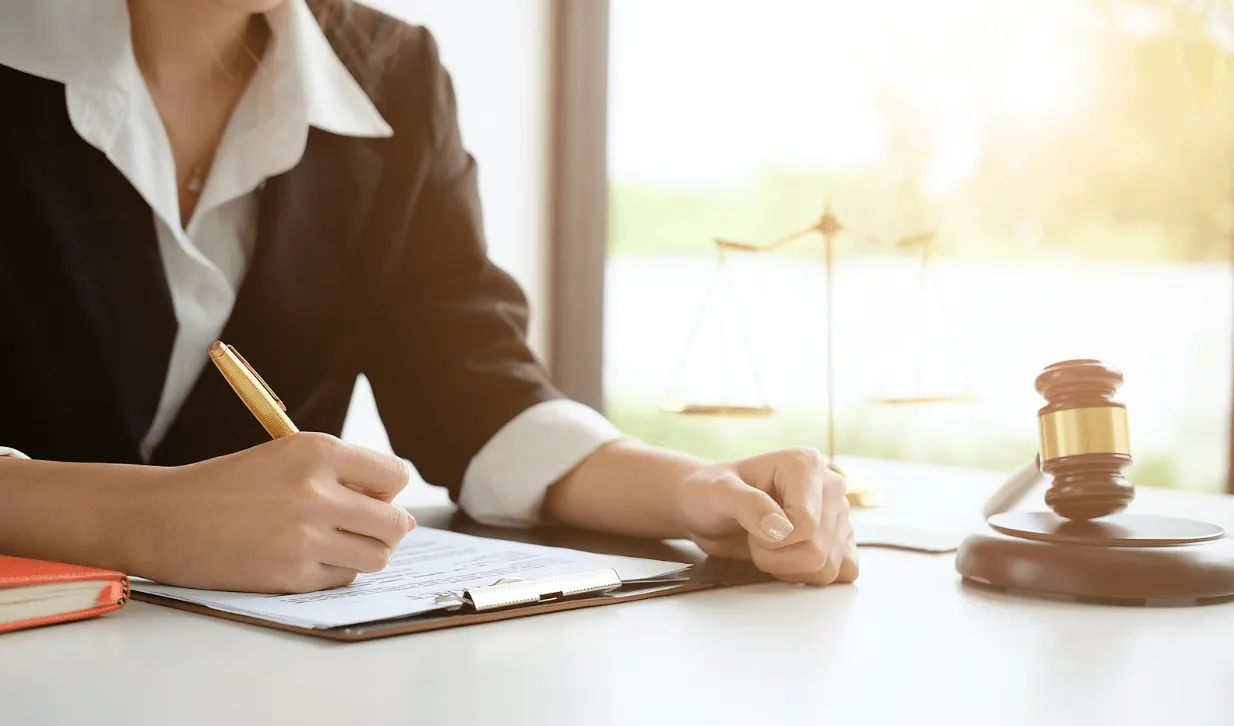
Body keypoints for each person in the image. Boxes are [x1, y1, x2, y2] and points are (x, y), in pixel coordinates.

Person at [0, 0, 856, 594]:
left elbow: (473, 389)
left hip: (249, 696)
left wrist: (692, 490)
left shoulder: (390, 75)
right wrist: (144, 523)